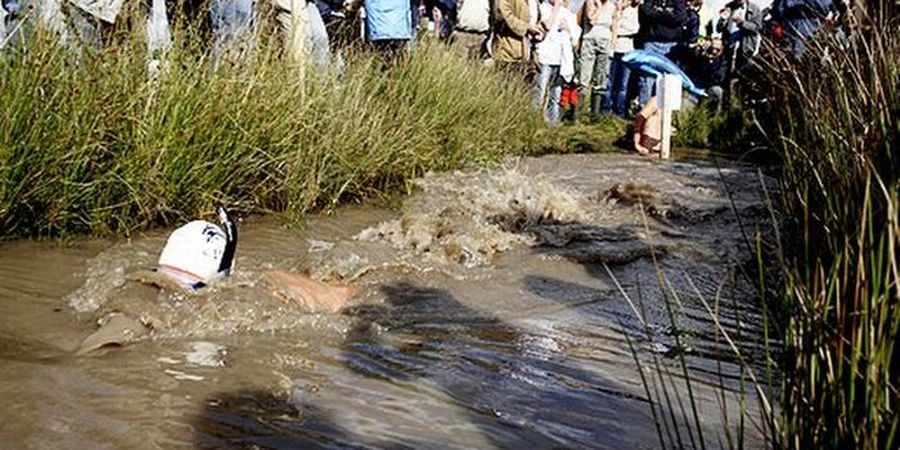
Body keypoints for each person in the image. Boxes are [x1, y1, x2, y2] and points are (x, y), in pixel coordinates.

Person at [78, 207, 357, 354]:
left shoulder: (135, 289)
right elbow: (343, 298)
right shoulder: (258, 291)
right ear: (224, 271)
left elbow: (105, 341)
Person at [532, 0, 580, 124]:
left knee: (556, 93)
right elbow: (546, 26)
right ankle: (533, 121)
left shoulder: (568, 14)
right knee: (540, 90)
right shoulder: (542, 8)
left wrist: (568, 29)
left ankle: (552, 123)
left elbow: (575, 41)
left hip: (561, 60)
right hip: (544, 56)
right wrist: (556, 8)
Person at [636, 0, 687, 107]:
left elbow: (680, 17)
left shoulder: (678, 1)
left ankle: (663, 110)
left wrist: (657, 16)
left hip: (671, 45)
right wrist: (668, 16)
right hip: (651, 43)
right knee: (647, 78)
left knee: (668, 79)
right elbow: (645, 13)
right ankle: (643, 110)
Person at [602, 0, 640, 117]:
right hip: (613, 47)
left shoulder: (634, 10)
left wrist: (619, 26)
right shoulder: (614, 8)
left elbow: (634, 29)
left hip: (627, 48)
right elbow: (610, 25)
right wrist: (618, 16)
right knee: (609, 81)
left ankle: (620, 110)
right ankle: (606, 109)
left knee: (623, 83)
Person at [579, 0, 617, 116]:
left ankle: (595, 113)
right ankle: (577, 113)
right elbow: (591, 20)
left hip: (605, 42)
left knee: (601, 77)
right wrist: (599, 8)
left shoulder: (612, 6)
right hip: (589, 40)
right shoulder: (590, 2)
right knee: (584, 76)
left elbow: (614, 28)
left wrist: (612, 46)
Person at [492, 0, 540, 70]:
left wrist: (540, 28)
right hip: (509, 51)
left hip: (529, 52)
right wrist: (526, 28)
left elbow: (537, 17)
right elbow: (504, 15)